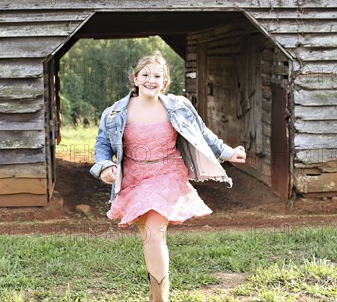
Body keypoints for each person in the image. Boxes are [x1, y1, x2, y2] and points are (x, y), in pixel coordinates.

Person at [89, 54, 246, 302]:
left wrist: (228, 152)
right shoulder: (114, 113)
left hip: (168, 172)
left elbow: (202, 133)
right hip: (134, 177)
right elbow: (101, 146)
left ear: (164, 82)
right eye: (146, 75)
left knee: (153, 232)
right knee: (149, 237)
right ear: (135, 78)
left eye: (157, 76)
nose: (151, 80)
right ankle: (157, 295)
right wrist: (105, 167)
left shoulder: (178, 106)